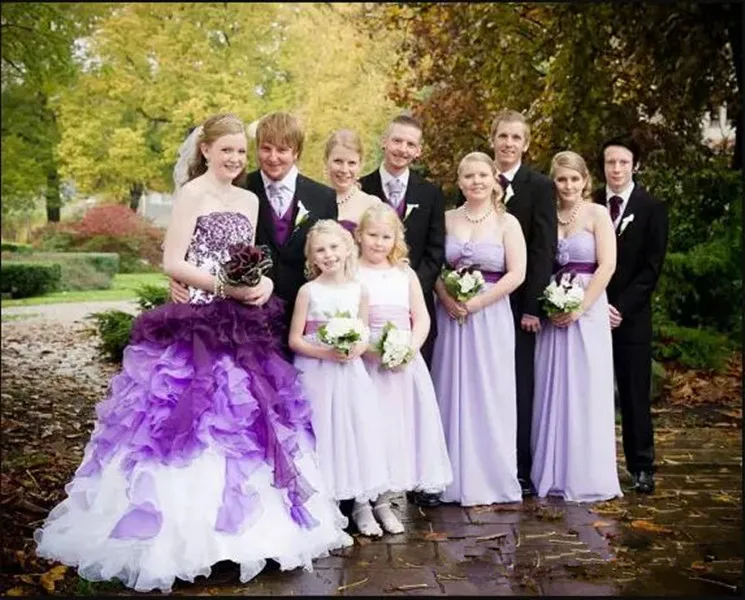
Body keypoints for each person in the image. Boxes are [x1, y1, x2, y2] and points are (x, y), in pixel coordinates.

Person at [33, 114, 352, 594]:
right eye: (227, 150)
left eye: (240, 153)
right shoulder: (191, 195)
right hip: (197, 322)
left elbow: (251, 256)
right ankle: (180, 536)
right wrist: (223, 286)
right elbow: (172, 260)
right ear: (205, 151)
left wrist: (259, 283)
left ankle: (247, 535)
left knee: (243, 419)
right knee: (188, 415)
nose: (235, 159)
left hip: (242, 321)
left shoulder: (248, 199)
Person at [170, 112, 337, 330]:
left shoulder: (323, 197)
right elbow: (195, 247)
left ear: (296, 152)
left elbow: (332, 258)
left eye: (282, 150)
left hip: (306, 316)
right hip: (249, 313)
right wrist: (178, 280)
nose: (273, 157)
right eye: (266, 148)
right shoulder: (237, 188)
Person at [359, 114, 446, 508]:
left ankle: (403, 484)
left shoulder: (430, 194)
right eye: (397, 141)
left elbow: (434, 251)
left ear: (419, 150)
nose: (403, 150)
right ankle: (364, 492)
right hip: (363, 315)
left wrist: (405, 281)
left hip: (407, 304)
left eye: (411, 144)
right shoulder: (362, 188)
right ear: (384, 140)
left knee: (406, 406)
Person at [431, 151, 526, 506]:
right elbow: (435, 265)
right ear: (459, 182)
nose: (476, 182)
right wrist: (446, 297)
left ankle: (491, 476)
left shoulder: (507, 223)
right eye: (468, 176)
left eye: (483, 175)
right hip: (451, 314)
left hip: (489, 316)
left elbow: (517, 273)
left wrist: (477, 303)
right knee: (451, 387)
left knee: (490, 391)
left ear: (494, 179)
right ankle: (448, 476)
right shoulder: (446, 219)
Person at [531, 150, 622, 503]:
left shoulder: (597, 214)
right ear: (553, 182)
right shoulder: (547, 216)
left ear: (586, 180)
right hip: (554, 306)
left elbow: (607, 265)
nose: (568, 185)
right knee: (552, 385)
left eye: (574, 179)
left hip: (587, 307)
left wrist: (581, 307)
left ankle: (587, 473)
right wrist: (551, 304)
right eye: (561, 179)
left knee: (586, 386)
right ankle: (552, 471)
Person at [355, 204, 453, 532]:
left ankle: (383, 501)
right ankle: (361, 505)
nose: (379, 243)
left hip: (403, 365)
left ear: (396, 238)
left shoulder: (405, 273)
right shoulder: (352, 271)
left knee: (393, 430)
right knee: (367, 430)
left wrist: (409, 349)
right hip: (367, 363)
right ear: (360, 235)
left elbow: (421, 316)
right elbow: (349, 319)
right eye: (372, 235)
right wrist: (371, 350)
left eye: (386, 236)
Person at [288, 220, 389, 537]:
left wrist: (355, 348)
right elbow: (296, 339)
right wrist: (326, 353)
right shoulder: (309, 291)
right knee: (323, 431)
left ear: (348, 249)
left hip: (349, 373)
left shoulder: (359, 290)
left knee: (354, 430)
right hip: (317, 372)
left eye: (334, 247)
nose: (328, 255)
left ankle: (362, 505)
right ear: (312, 258)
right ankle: (325, 505)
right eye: (320, 250)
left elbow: (363, 332)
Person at [593, 136, 668, 494]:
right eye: (611, 163)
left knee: (635, 395)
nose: (617, 169)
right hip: (589, 313)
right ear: (603, 166)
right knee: (589, 392)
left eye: (623, 162)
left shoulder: (652, 207)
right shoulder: (589, 204)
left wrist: (619, 308)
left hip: (630, 318)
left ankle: (641, 467)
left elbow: (651, 270)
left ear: (634, 165)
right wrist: (593, 304)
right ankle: (591, 465)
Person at [487, 110, 557, 496]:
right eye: (503, 136)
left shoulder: (539, 185)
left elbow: (544, 247)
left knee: (519, 383)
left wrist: (533, 305)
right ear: (492, 139)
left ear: (526, 144)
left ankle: (520, 467)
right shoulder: (477, 176)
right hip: (479, 301)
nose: (509, 144)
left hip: (519, 306)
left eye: (516, 138)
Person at [323, 129, 381, 233]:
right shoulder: (311, 199)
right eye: (338, 161)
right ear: (326, 161)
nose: (344, 170)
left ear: (360, 164)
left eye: (352, 163)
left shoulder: (371, 205)